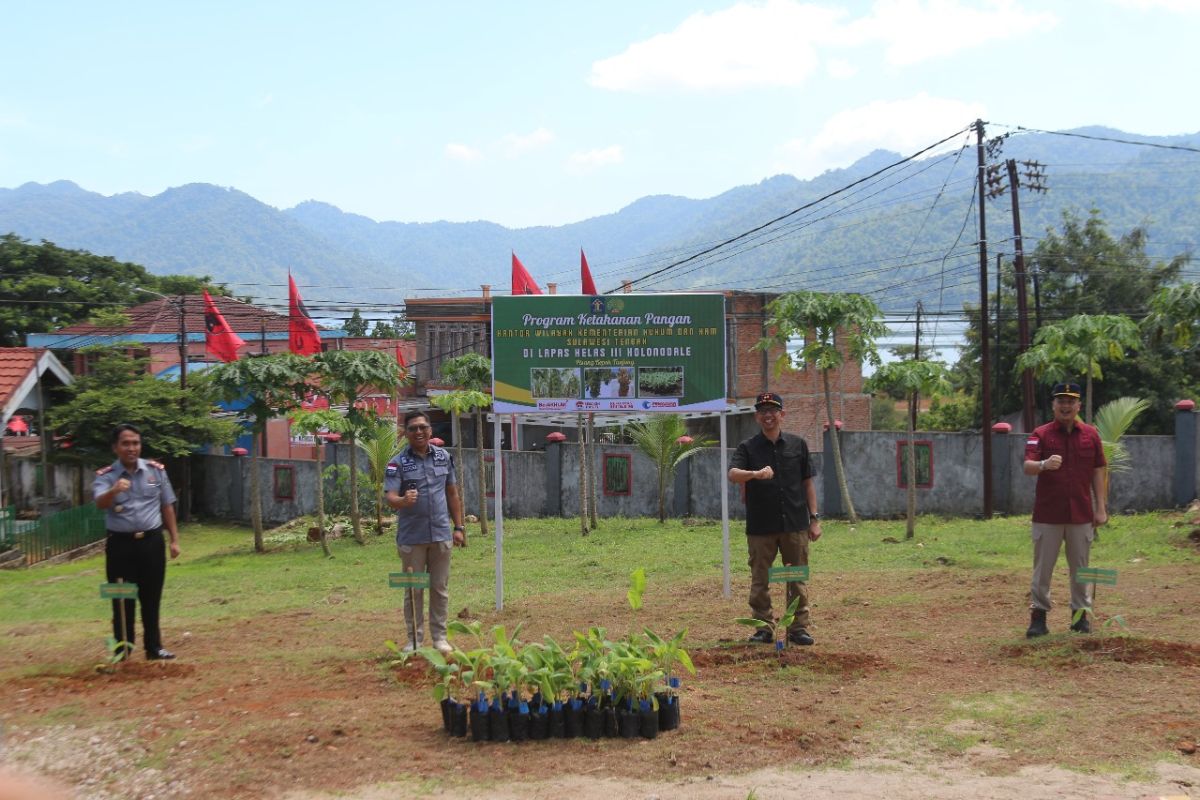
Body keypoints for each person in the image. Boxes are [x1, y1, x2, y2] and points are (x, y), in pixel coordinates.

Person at [728, 392, 822, 646]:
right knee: (761, 579)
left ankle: (798, 628)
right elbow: (733, 474)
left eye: (773, 410)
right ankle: (763, 627)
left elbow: (807, 484)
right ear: (757, 416)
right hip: (761, 527)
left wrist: (814, 519)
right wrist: (756, 474)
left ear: (782, 415)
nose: (768, 415)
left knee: (796, 577)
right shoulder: (748, 447)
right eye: (763, 411)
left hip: (795, 524)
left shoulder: (798, 445)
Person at [1022, 382, 1108, 638]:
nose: (1066, 405)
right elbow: (1027, 466)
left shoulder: (1091, 435)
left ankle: (1080, 617)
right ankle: (1038, 618)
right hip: (1048, 515)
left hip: (1081, 514)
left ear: (1078, 405)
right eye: (1061, 401)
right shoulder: (1040, 434)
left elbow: (1098, 471)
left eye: (1071, 401)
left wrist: (1100, 508)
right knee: (1042, 569)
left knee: (1081, 569)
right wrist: (1044, 464)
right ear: (1053, 405)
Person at [92, 423, 181, 660]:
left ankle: (154, 647)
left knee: (151, 597)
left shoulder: (156, 472)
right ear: (115, 447)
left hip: (151, 544)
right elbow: (99, 503)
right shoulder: (106, 476)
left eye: (135, 443)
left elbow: (167, 505)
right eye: (126, 443)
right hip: (120, 546)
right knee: (121, 597)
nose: (131, 448)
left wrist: (174, 540)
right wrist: (112, 491)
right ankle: (123, 649)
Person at [385, 410, 466, 654]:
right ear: (405, 433)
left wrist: (459, 527)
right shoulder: (397, 463)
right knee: (414, 589)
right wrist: (402, 501)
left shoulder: (444, 457)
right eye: (412, 428)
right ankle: (415, 640)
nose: (418, 432)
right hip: (412, 538)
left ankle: (440, 638)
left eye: (422, 427)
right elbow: (389, 497)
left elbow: (452, 493)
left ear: (430, 430)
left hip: (441, 534)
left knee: (439, 588)